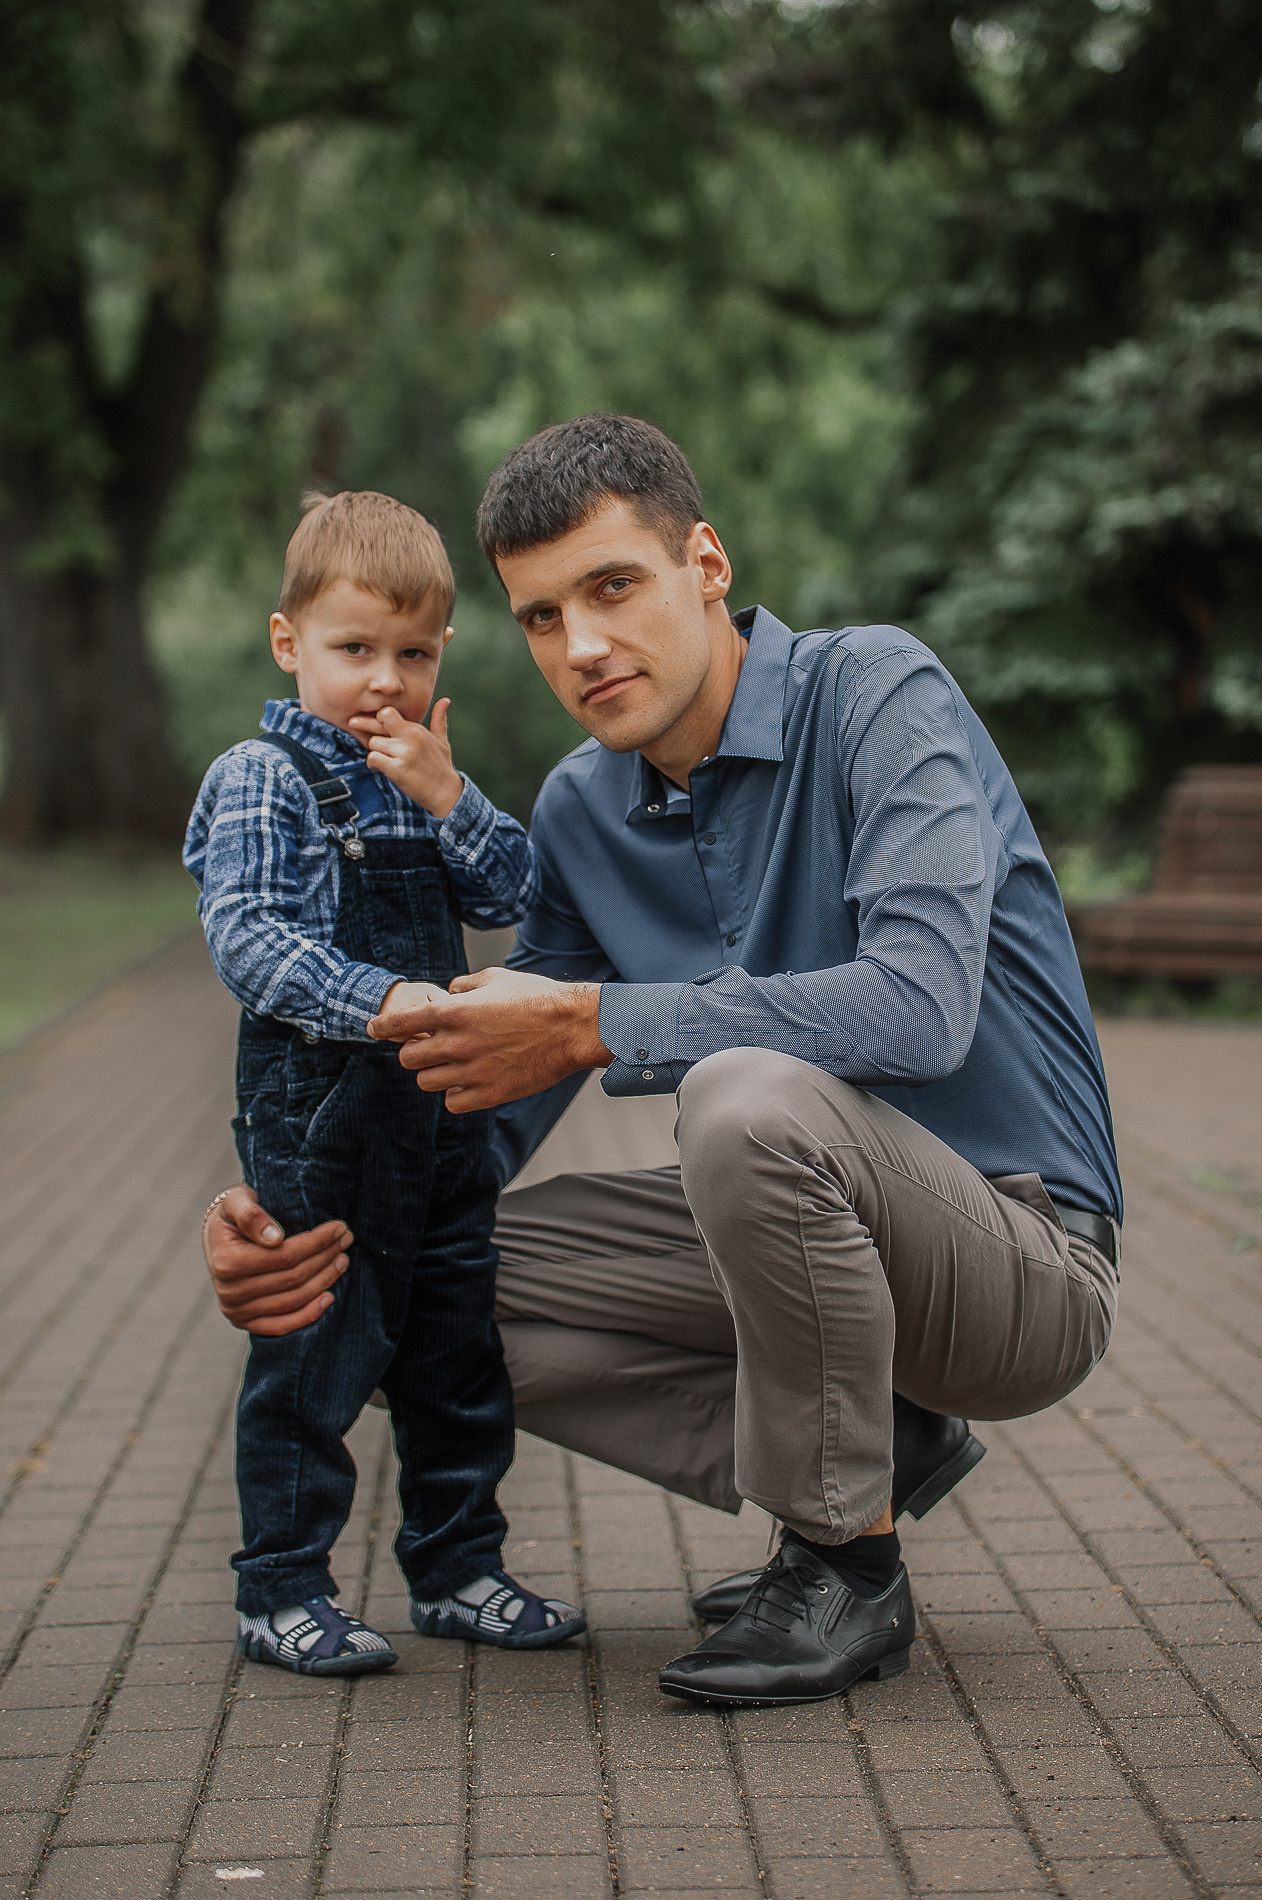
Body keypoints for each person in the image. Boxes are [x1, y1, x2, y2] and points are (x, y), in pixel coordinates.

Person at [203, 419, 1121, 1708]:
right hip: (825, 1245)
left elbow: (918, 1012)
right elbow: (490, 1093)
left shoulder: (875, 691)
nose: (580, 645)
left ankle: (843, 1564)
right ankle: (879, 1437)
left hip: (1021, 1260)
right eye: (540, 616)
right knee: (429, 1281)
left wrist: (599, 1021)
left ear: (704, 563)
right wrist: (302, 1216)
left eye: (612, 586)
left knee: (742, 1097)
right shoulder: (582, 808)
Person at [185, 490, 585, 1677]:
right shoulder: (264, 777)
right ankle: (279, 1586)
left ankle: (458, 1569)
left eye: (412, 654)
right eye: (354, 648)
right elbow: (248, 938)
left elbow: (515, 893)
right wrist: (383, 996)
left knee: (455, 1355)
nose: (384, 680)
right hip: (323, 1119)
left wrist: (448, 795)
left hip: (438, 1120)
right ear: (288, 641)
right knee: (316, 1351)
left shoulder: (417, 774)